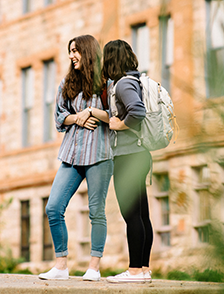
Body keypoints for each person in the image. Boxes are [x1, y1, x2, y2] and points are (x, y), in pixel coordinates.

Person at [39, 35, 113, 282]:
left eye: (75, 50)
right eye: (70, 51)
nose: (71, 56)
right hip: (71, 154)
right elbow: (60, 116)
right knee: (53, 207)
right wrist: (78, 117)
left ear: (88, 51)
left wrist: (92, 112)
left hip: (100, 155)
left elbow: (114, 116)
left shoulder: (106, 83)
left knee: (96, 212)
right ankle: (61, 265)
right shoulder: (67, 83)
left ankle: (94, 266)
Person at [102, 40, 153, 283]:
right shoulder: (135, 80)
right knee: (142, 215)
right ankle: (143, 269)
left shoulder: (123, 84)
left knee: (131, 214)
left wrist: (119, 124)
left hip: (129, 156)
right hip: (139, 154)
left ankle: (134, 270)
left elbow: (138, 111)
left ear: (110, 60)